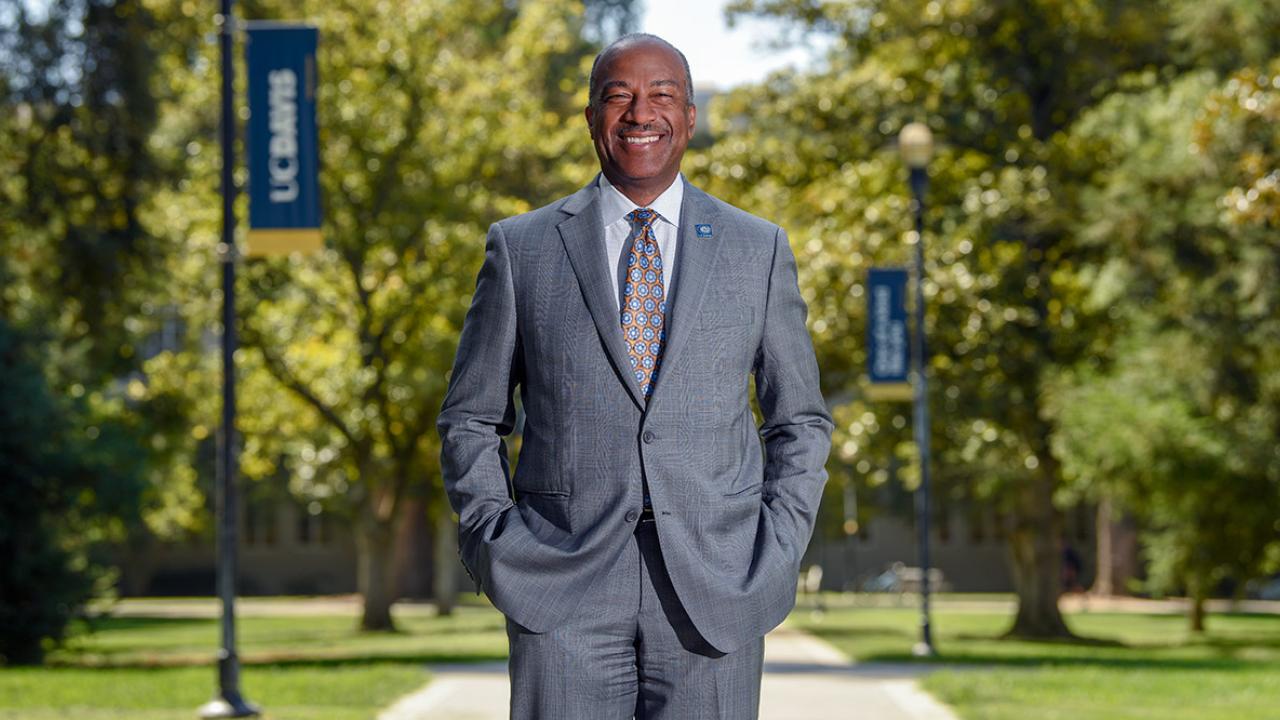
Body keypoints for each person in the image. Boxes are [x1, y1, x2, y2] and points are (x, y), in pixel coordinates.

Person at [438, 33, 833, 720]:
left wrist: (778, 547)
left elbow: (799, 420)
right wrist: (493, 541)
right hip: (561, 584)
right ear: (592, 118)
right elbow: (471, 418)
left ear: (689, 116)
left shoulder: (757, 248)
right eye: (618, 96)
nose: (639, 113)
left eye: (662, 96)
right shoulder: (523, 247)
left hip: (717, 583)